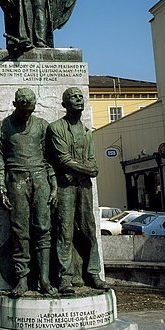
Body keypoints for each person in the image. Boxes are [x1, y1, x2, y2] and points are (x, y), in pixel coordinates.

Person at [0, 88, 57, 297]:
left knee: (43, 229)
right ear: (15, 104)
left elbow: (49, 158)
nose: (27, 115)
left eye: (30, 111)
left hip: (40, 179)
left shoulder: (42, 126)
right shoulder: (2, 128)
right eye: (23, 111)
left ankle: (45, 279)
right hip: (16, 180)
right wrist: (1, 188)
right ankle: (22, 279)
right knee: (20, 231)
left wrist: (53, 184)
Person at [47, 87, 110, 295]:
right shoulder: (56, 128)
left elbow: (93, 162)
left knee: (89, 229)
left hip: (84, 187)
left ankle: (93, 273)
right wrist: (87, 169)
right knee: (65, 231)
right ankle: (64, 277)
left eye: (80, 96)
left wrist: (87, 168)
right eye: (73, 97)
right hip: (65, 187)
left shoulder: (86, 132)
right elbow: (63, 160)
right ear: (64, 104)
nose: (78, 99)